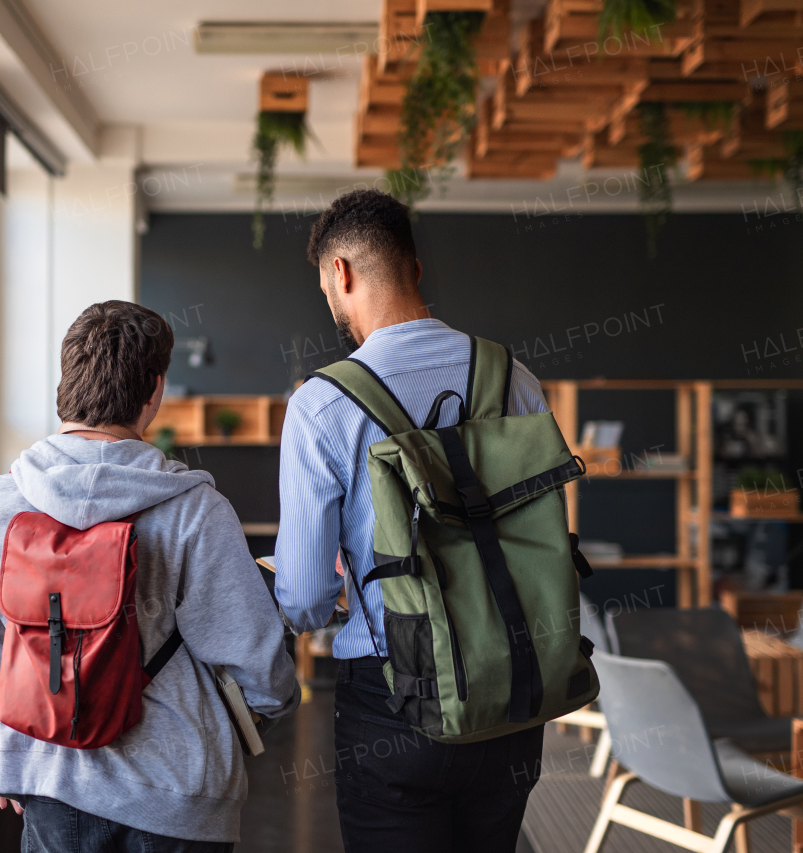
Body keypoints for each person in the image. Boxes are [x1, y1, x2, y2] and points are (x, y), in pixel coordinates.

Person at [0, 300, 299, 853]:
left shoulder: (2, 502)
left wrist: (2, 745)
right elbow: (255, 658)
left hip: (49, 779)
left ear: (67, 382)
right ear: (153, 391)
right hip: (178, 793)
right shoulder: (195, 510)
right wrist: (263, 713)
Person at [274, 189, 550, 852]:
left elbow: (306, 602)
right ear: (416, 269)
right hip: (512, 689)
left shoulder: (321, 404)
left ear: (340, 273)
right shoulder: (514, 377)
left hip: (393, 698)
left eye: (325, 288)